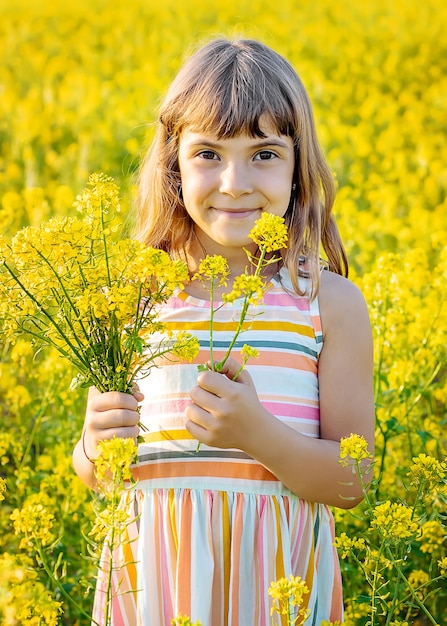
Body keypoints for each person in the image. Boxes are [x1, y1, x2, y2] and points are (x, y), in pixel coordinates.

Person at [73, 37, 375, 625]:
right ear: (173, 166)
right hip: (158, 587)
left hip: (276, 589)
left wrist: (257, 434)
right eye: (208, 154)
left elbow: (351, 480)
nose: (234, 182)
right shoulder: (133, 300)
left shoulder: (327, 304)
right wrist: (93, 446)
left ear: (298, 165)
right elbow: (100, 474)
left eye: (264, 154)